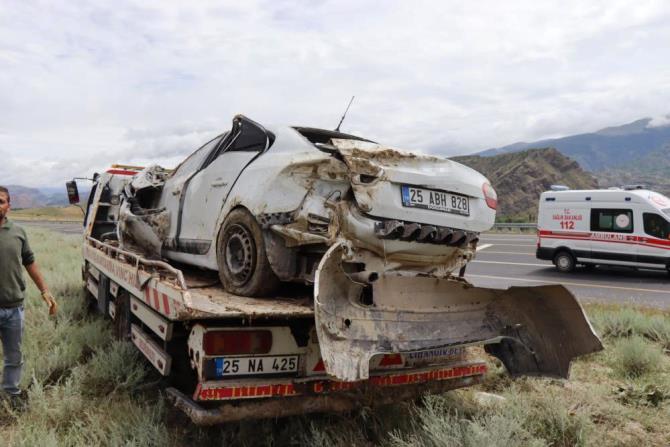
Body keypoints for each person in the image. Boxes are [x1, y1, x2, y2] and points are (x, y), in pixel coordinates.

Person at [0, 186, 57, 399]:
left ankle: (11, 394)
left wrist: (45, 290)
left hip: (14, 308)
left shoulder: (18, 232)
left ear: (8, 206)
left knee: (14, 357)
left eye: (1, 201)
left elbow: (30, 262)